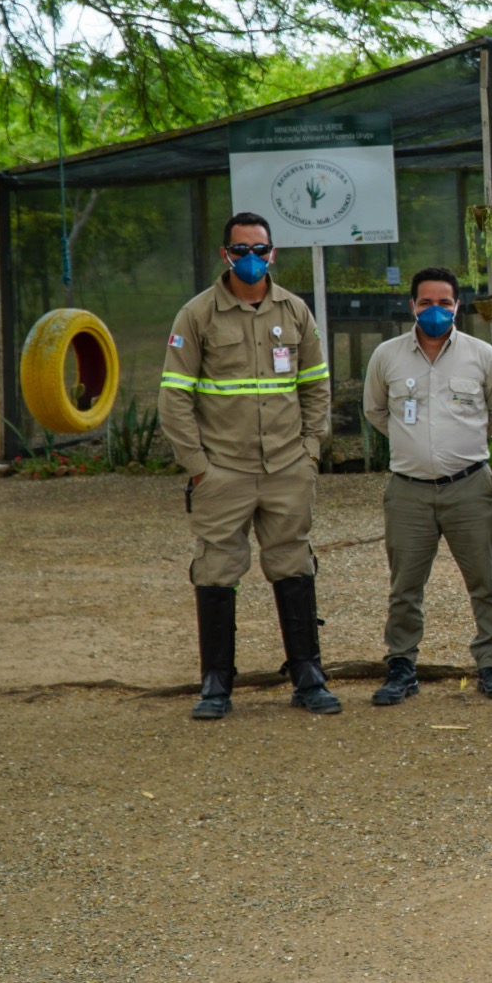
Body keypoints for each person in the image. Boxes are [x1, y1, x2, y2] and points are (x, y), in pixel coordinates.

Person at [159, 211, 336, 720]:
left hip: (287, 466)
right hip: (223, 470)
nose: (251, 259)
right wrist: (198, 467)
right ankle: (216, 683)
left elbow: (316, 385)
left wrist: (310, 451)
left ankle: (307, 674)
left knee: (293, 562)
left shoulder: (295, 311)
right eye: (241, 250)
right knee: (217, 569)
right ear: (225, 255)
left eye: (260, 248)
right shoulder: (197, 315)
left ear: (274, 252)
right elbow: (174, 399)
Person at [362, 267, 492, 706]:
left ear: (457, 307)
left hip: (469, 486)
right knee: (405, 585)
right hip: (408, 491)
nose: (435, 310)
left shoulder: (483, 355)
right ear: (412, 306)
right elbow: (376, 412)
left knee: (485, 580)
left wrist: (459, 442)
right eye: (426, 303)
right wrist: (416, 445)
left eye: (444, 303)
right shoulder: (387, 357)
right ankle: (401, 667)